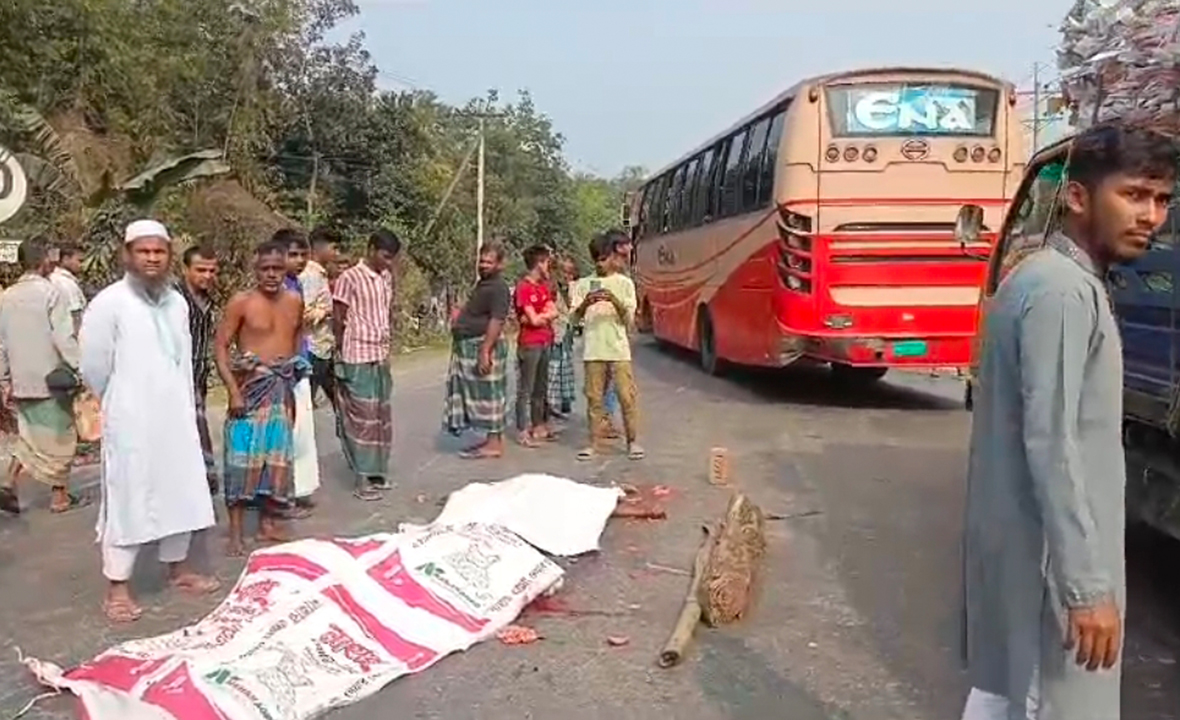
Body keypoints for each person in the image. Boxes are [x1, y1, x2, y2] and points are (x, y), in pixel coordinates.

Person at [960, 124, 1177, 720]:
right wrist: (1086, 590)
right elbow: (1051, 443)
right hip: (1048, 575)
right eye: (1132, 195)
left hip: (1033, 564)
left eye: (1162, 201)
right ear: (1079, 198)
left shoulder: (1051, 282)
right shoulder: (1061, 293)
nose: (1150, 216)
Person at [80, 220, 220, 623]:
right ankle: (117, 588)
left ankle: (178, 568)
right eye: (144, 251)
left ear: (169, 256)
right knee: (128, 498)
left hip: (175, 417)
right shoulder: (110, 303)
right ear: (128, 255)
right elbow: (93, 364)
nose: (152, 258)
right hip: (131, 421)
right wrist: (121, 402)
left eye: (159, 251)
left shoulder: (177, 302)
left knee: (181, 490)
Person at [215, 240, 310, 556]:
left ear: (286, 269)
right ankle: (236, 533)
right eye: (265, 269)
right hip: (249, 391)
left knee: (277, 460)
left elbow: (297, 340)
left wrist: (293, 379)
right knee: (240, 460)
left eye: (277, 269)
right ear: (255, 270)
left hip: (281, 389)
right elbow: (221, 348)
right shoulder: (241, 302)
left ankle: (270, 524)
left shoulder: (295, 300)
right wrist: (232, 390)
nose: (271, 275)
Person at [0, 237, 84, 515]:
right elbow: (64, 337)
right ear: (44, 260)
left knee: (29, 436)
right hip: (52, 380)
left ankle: (9, 482)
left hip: (21, 381)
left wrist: (3, 379)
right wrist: (80, 366)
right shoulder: (51, 293)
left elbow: (0, 343)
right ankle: (59, 496)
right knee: (61, 435)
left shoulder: (6, 296)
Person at [332, 230, 399, 500]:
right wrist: (339, 350)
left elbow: (385, 312)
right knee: (362, 419)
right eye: (384, 256)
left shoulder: (386, 277)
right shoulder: (350, 277)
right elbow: (339, 316)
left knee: (381, 417)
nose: (388, 262)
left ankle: (377, 474)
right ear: (371, 249)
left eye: (391, 258)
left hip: (380, 354)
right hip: (356, 353)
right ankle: (361, 479)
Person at [571, 233, 643, 461]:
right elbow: (573, 319)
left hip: (618, 349)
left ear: (612, 257)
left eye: (604, 258)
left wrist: (613, 299)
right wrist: (586, 303)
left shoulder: (624, 284)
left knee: (626, 396)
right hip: (593, 349)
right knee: (594, 399)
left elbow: (629, 320)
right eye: (597, 260)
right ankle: (593, 443)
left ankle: (633, 441)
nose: (600, 264)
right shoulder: (583, 285)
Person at [444, 242, 511, 459]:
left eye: (489, 262)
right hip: (471, 342)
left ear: (500, 264)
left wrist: (485, 350)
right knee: (479, 395)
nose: (483, 265)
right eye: (481, 261)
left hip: (483, 344)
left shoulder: (499, 287)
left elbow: (497, 319)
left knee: (490, 395)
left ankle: (494, 443)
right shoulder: (484, 284)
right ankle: (491, 439)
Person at [277, 229, 320, 515]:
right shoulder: (278, 287)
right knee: (287, 434)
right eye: (293, 254)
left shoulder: (296, 284)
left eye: (303, 254)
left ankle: (298, 489)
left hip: (300, 362)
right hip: (284, 367)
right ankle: (282, 495)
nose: (300, 260)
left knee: (302, 433)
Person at [178, 244, 220, 496]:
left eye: (212, 270)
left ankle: (201, 477)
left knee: (196, 425)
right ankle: (203, 476)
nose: (207, 276)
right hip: (177, 376)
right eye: (200, 270)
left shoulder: (206, 299)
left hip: (198, 373)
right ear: (186, 270)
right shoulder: (175, 299)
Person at [513, 244, 558, 446]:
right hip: (530, 343)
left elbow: (553, 311)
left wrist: (540, 317)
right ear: (539, 263)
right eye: (547, 262)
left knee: (541, 387)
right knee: (526, 388)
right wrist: (541, 316)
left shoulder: (542, 287)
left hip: (546, 340)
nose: (549, 266)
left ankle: (538, 424)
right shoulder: (523, 287)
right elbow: (533, 320)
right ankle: (522, 428)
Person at [302, 227, 339, 409]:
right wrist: (325, 312)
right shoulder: (310, 275)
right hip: (312, 347)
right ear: (319, 247)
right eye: (334, 248)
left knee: (339, 399)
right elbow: (303, 313)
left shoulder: (321, 274)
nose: (336, 253)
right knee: (305, 405)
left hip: (324, 346)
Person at [547, 255, 578, 420]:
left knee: (564, 369)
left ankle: (562, 402)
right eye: (564, 272)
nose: (567, 276)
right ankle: (551, 404)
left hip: (566, 335)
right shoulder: (553, 289)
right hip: (555, 334)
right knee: (553, 371)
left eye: (570, 273)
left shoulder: (571, 289)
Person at [50, 242, 87, 331]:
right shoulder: (67, 284)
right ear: (66, 259)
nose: (82, 265)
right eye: (79, 261)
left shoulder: (51, 279)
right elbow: (76, 318)